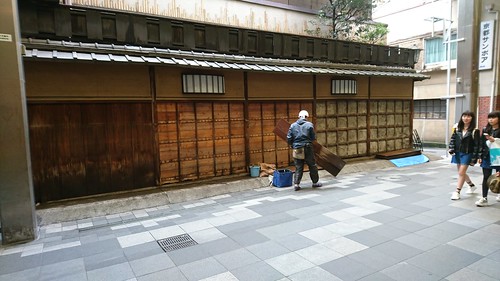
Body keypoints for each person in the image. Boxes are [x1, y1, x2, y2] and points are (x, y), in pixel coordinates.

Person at [449, 110, 480, 200]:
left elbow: (476, 145)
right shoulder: (457, 128)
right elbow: (453, 139)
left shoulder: (475, 130)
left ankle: (457, 192)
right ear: (461, 117)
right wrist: (451, 148)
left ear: (472, 118)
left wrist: (474, 159)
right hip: (458, 153)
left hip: (467, 153)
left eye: (468, 116)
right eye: (464, 116)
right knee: (461, 172)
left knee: (461, 172)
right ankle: (471, 185)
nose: (466, 118)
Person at [287, 110, 322, 191]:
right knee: (312, 165)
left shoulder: (292, 126)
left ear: (299, 116)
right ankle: (315, 182)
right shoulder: (309, 125)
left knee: (298, 166)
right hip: (307, 147)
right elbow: (313, 138)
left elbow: (289, 138)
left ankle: (296, 184)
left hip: (297, 148)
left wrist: (293, 145)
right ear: (306, 117)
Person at [476, 111, 500, 206]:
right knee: (486, 177)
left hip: (498, 155)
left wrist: (496, 140)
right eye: (489, 117)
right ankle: (484, 198)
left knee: (499, 175)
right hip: (487, 156)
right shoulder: (486, 129)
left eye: (493, 117)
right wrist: (480, 155)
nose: (490, 119)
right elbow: (481, 143)